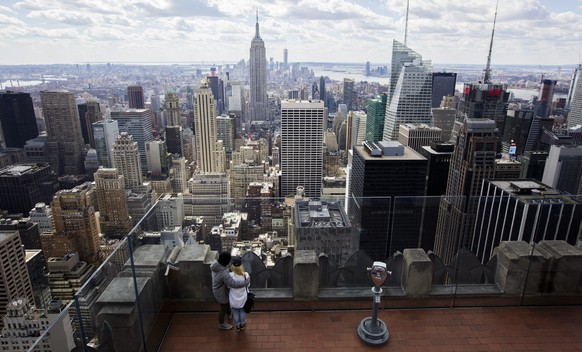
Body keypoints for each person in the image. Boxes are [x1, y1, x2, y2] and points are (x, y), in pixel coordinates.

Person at [211, 252, 250, 330]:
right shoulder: (224, 273)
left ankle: (230, 314)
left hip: (219, 289)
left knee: (227, 304)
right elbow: (233, 284)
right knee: (223, 307)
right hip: (221, 292)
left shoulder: (215, 264)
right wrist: (246, 282)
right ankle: (221, 323)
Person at [228, 257, 250, 331]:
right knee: (242, 310)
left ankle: (237, 325)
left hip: (233, 296)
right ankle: (242, 323)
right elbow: (248, 285)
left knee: (235, 311)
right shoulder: (245, 275)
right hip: (243, 296)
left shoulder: (230, 275)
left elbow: (228, 285)